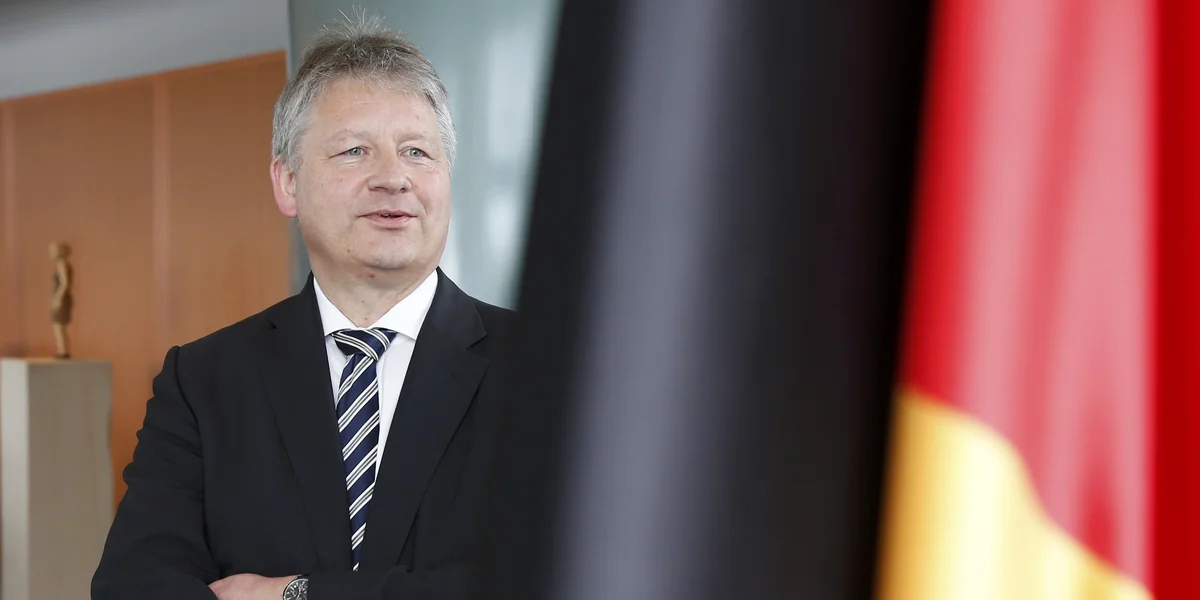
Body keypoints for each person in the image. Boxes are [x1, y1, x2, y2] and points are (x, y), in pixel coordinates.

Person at [92, 14, 515, 600]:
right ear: (287, 183)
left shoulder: (547, 366)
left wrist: (298, 594)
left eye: (417, 151)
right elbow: (133, 584)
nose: (393, 177)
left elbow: (566, 576)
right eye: (354, 151)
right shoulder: (204, 380)